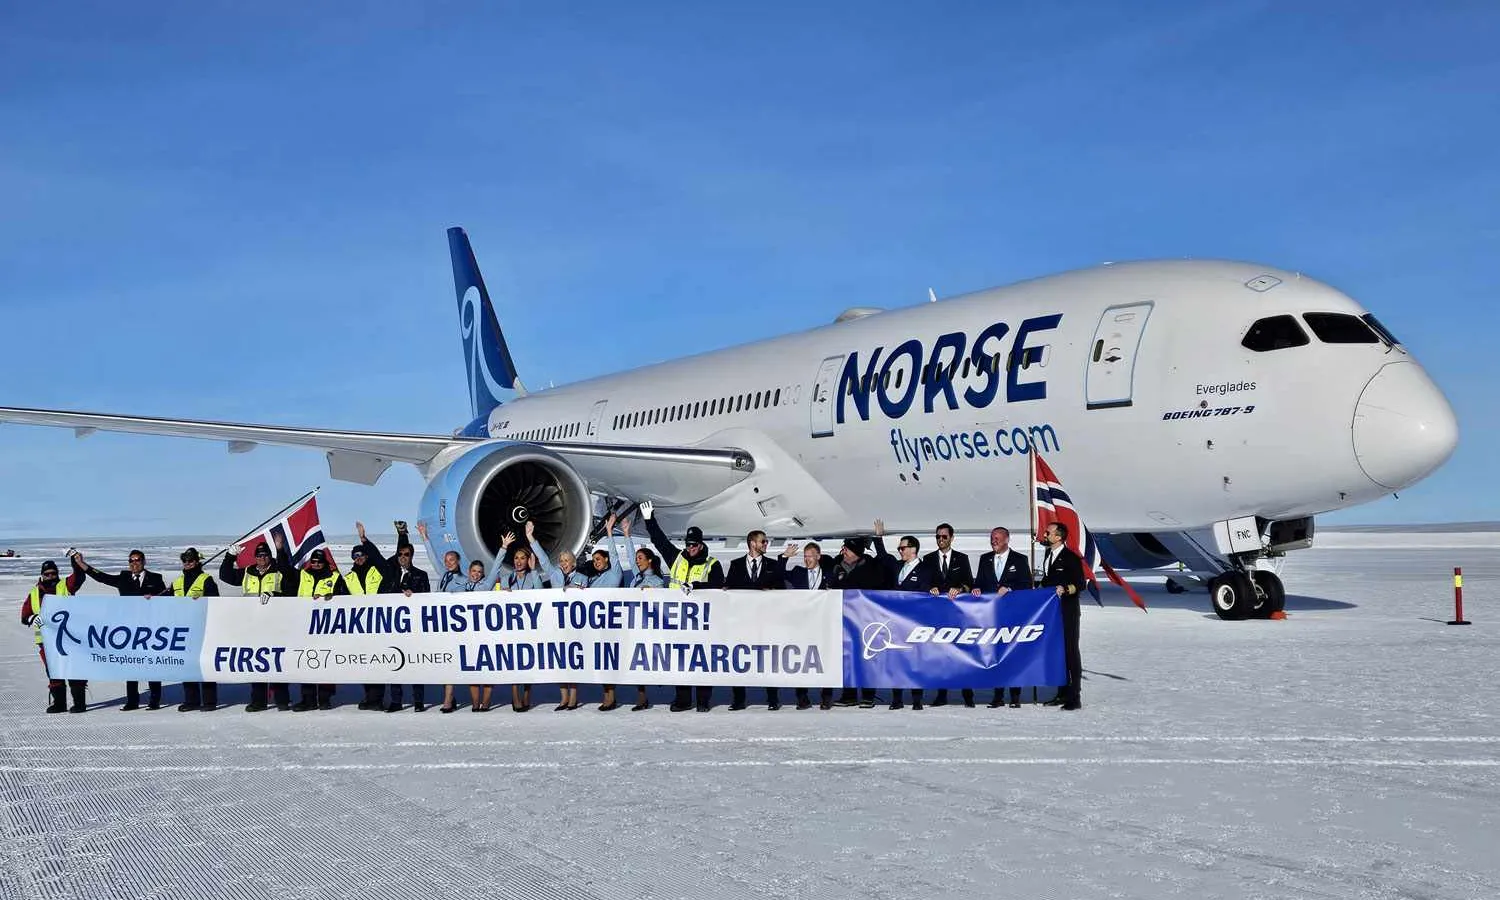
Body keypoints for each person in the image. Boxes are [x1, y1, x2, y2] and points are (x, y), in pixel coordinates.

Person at [640, 501, 724, 712]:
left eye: (694, 545)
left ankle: (703, 700)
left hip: (702, 622)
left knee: (702, 661)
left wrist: (697, 586)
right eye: (688, 544)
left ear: (701, 545)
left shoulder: (712, 564)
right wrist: (649, 519)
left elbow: (718, 585)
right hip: (678, 621)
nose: (690, 548)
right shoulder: (677, 558)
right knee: (681, 660)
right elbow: (659, 541)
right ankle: (683, 700)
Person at [74, 548, 167, 710]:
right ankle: (132, 701)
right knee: (130, 665)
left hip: (150, 628)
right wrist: (82, 564)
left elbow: (168, 598)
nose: (134, 563)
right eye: (131, 560)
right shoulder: (124, 578)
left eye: (137, 560)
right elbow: (102, 577)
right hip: (129, 629)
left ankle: (154, 700)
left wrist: (155, 599)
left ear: (144, 562)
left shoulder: (155, 578)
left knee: (151, 664)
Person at [220, 536, 294, 711]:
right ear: (255, 557)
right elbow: (226, 576)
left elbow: (292, 589)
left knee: (277, 661)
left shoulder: (279, 570)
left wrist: (275, 595)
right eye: (259, 555)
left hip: (275, 623)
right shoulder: (248, 571)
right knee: (257, 662)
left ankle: (282, 699)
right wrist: (230, 557)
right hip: (253, 623)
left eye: (265, 555)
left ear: (270, 556)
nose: (262, 558)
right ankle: (258, 701)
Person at [724, 529, 786, 710]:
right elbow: (729, 589)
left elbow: (781, 589)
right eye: (763, 541)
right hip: (742, 622)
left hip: (765, 622)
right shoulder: (736, 564)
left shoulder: (772, 565)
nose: (766, 544)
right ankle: (739, 699)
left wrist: (772, 591)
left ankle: (773, 698)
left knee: (768, 659)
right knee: (739, 658)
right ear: (752, 543)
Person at [973, 526, 1033, 708]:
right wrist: (976, 588)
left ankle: (1015, 696)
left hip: (1013, 614)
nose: (994, 541)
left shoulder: (1020, 559)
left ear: (1007, 539)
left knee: (1013, 654)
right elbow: (979, 582)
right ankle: (997, 695)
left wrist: (1010, 588)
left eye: (997, 538)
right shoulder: (985, 559)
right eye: (992, 538)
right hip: (992, 616)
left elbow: (1026, 585)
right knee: (996, 653)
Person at [873, 522, 931, 710]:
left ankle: (917, 699)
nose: (900, 551)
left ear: (913, 549)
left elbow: (925, 593)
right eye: (899, 548)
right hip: (895, 621)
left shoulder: (925, 570)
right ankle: (896, 698)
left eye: (902, 548)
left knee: (914, 661)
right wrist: (878, 538)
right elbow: (883, 557)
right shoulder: (898, 566)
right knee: (896, 660)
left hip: (914, 622)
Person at [490, 523, 547, 712]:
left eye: (522, 558)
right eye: (516, 558)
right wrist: (503, 548)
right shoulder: (507, 578)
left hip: (529, 628)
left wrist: (534, 570)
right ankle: (515, 695)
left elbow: (540, 593)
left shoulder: (533, 577)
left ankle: (527, 694)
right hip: (511, 628)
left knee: (529, 663)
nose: (519, 561)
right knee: (513, 663)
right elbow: (493, 587)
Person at [281, 547, 346, 710]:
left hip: (326, 628)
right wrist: (280, 550)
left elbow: (346, 600)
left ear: (324, 562)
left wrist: (334, 598)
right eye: (314, 561)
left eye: (319, 562)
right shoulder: (303, 575)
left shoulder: (335, 577)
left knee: (325, 662)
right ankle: (308, 699)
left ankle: (325, 698)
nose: (316, 564)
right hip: (303, 626)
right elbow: (285, 569)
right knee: (306, 661)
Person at [21, 558, 87, 713]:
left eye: (53, 573)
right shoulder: (34, 593)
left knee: (73, 670)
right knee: (54, 672)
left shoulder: (65, 586)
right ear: (42, 575)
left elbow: (79, 576)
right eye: (47, 574)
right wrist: (32, 618)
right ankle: (59, 704)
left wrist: (75, 560)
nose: (50, 576)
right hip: (47, 642)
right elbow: (24, 615)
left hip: (68, 639)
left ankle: (79, 703)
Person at [826, 536, 886, 709]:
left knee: (867, 656)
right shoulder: (836, 565)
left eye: (847, 548)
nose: (843, 551)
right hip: (843, 620)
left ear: (856, 552)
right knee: (847, 657)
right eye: (843, 548)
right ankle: (849, 695)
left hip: (866, 620)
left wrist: (878, 540)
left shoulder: (871, 566)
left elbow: (882, 576)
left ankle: (868, 695)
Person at [378, 525, 430, 712]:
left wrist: (413, 594)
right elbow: (381, 595)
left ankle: (418, 700)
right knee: (395, 661)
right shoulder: (390, 574)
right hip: (393, 627)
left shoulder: (421, 575)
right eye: (400, 554)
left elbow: (426, 600)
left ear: (411, 556)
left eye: (406, 554)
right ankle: (396, 700)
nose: (402, 557)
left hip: (413, 628)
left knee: (415, 662)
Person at [923, 522, 974, 707]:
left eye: (944, 536)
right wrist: (931, 588)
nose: (941, 539)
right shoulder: (928, 559)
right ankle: (941, 693)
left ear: (952, 538)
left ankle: (968, 694)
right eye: (938, 536)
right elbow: (924, 582)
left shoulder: (962, 558)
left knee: (962, 652)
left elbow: (969, 582)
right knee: (941, 653)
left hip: (958, 613)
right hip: (937, 613)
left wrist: (959, 588)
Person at [534, 534, 587, 711]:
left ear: (573, 563)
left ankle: (573, 696)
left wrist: (574, 590)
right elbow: (543, 560)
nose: (563, 563)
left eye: (566, 560)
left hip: (574, 626)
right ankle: (563, 697)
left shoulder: (582, 578)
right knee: (559, 661)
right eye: (561, 560)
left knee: (573, 661)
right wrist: (531, 538)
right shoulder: (555, 574)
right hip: (556, 624)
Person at [615, 518, 663, 711]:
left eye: (640, 558)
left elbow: (661, 597)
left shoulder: (657, 581)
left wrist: (651, 592)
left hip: (648, 627)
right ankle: (641, 695)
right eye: (637, 559)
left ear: (649, 561)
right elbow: (629, 555)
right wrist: (627, 534)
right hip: (633, 626)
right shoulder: (636, 577)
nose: (637, 561)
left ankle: (648, 691)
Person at [781, 541, 836, 709]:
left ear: (818, 556)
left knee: (825, 660)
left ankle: (826, 697)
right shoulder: (798, 572)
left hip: (823, 624)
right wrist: (784, 557)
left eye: (810, 556)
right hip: (802, 625)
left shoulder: (830, 575)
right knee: (801, 660)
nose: (807, 560)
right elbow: (778, 574)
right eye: (805, 557)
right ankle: (802, 697)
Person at [1038, 521, 1087, 710]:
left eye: (1048, 532)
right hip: (1052, 613)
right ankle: (1062, 692)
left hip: (1067, 611)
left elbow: (1080, 583)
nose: (1044, 534)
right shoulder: (1048, 555)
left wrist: (1066, 589)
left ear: (1058, 537)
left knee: (1070, 652)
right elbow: (1048, 580)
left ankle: (1074, 696)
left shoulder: (1070, 557)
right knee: (1057, 653)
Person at [170, 548, 221, 711]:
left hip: (203, 629)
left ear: (197, 561)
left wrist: (203, 599)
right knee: (187, 666)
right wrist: (149, 598)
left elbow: (216, 602)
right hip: (183, 630)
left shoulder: (206, 580)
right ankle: (191, 701)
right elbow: (165, 601)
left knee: (204, 664)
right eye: (185, 560)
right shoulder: (177, 582)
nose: (187, 563)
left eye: (191, 560)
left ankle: (209, 701)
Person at [441, 559, 494, 713]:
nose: (476, 574)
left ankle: (486, 702)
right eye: (474, 571)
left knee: (488, 669)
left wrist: (503, 548)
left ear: (483, 574)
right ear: (469, 572)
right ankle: (475, 703)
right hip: (466, 635)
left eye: (479, 572)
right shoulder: (460, 588)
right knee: (472, 669)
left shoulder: (485, 587)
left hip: (484, 633)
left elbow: (496, 567)